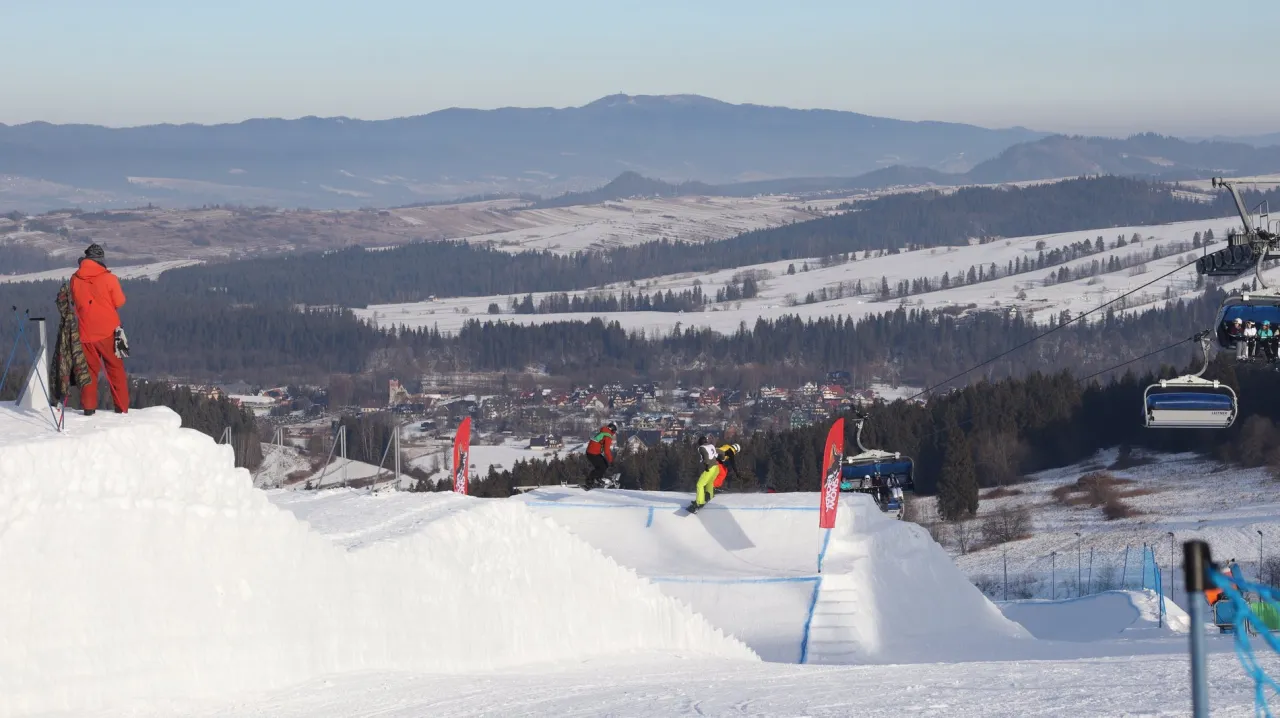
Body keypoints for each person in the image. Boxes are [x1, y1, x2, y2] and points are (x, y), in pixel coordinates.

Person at [69, 243, 128, 415]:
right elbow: (120, 302)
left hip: (85, 332)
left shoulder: (75, 278)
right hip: (109, 331)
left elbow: (74, 301)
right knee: (115, 369)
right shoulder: (109, 278)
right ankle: (121, 408)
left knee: (88, 371)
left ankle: (88, 409)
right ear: (101, 260)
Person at [689, 438, 740, 513]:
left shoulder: (727, 446)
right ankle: (713, 488)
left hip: (715, 460)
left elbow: (719, 450)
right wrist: (737, 473)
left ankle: (711, 489)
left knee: (722, 472)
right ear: (736, 450)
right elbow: (733, 463)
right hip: (715, 461)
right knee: (722, 474)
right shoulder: (731, 451)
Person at [583, 421, 617, 490]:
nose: (613, 434)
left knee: (604, 465)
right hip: (592, 453)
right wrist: (611, 461)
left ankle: (598, 478)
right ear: (613, 431)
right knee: (601, 467)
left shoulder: (603, 431)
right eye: (614, 432)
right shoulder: (608, 436)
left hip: (592, 452)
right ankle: (589, 482)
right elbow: (606, 450)